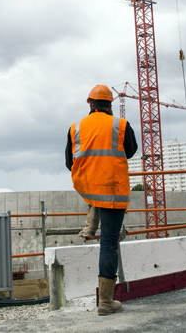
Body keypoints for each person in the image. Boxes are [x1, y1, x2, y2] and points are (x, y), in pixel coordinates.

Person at [65, 85, 138, 315]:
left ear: (90, 104)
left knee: (96, 199)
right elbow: (132, 150)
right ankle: (105, 303)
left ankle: (90, 221)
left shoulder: (75, 127)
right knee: (108, 243)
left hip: (89, 188)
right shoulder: (120, 125)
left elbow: (69, 162)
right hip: (114, 190)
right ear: (110, 105)